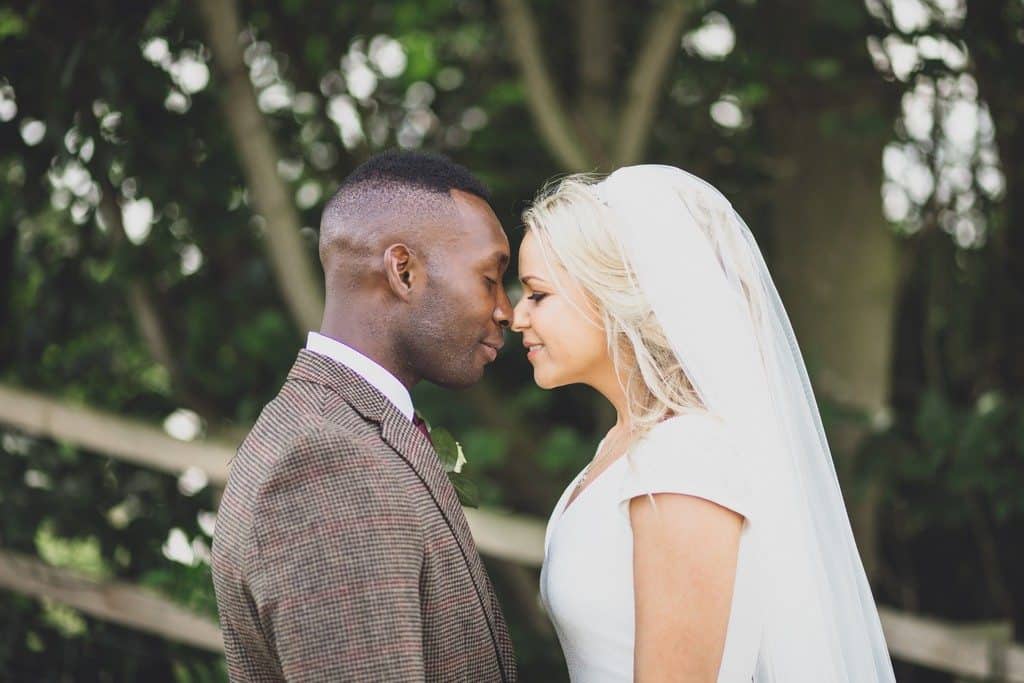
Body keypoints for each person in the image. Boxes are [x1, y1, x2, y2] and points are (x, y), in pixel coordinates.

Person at [512, 166, 896, 681]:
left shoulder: (684, 458)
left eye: (537, 294)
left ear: (613, 291)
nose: (517, 317)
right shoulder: (624, 447)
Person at [212, 150, 517, 682]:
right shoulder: (326, 462)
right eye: (490, 279)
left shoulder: (340, 428)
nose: (506, 312)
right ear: (403, 271)